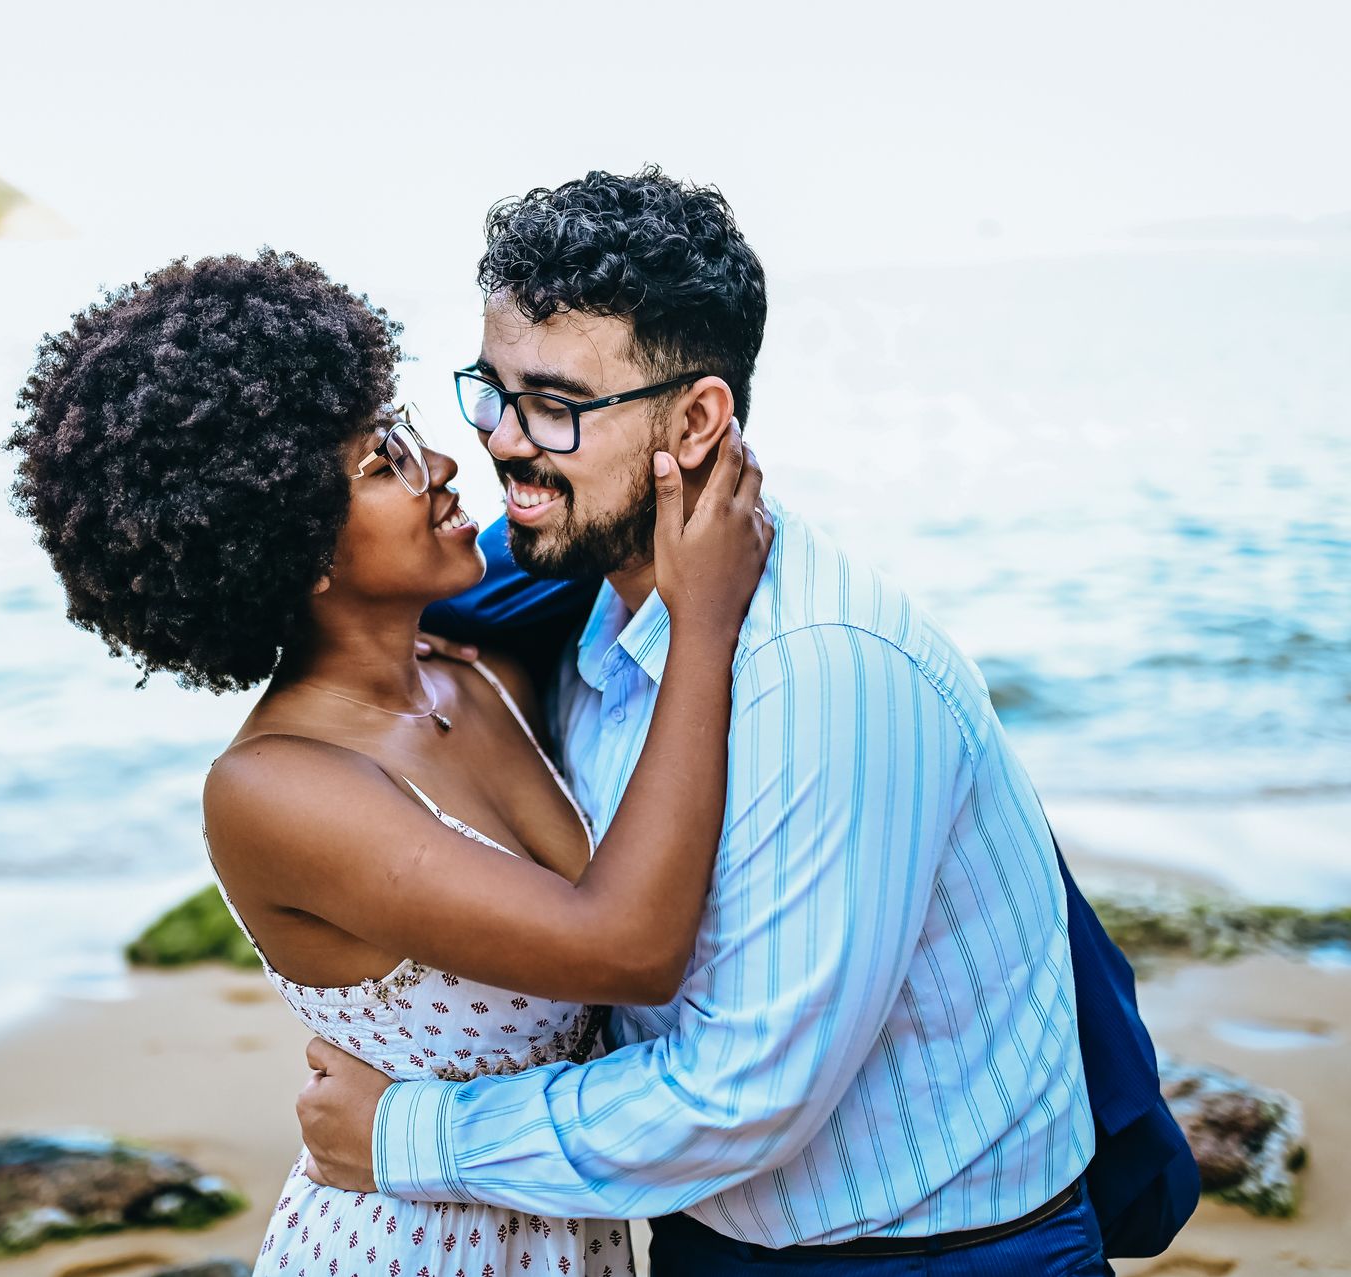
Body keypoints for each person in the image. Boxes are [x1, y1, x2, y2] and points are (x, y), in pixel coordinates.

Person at [296, 168, 1190, 1274]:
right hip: (706, 1237)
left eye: (557, 405)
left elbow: (744, 1090)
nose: (504, 441)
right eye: (492, 386)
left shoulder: (819, 669)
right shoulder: (559, 597)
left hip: (936, 1253)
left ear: (700, 418)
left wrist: (406, 1132)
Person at [4, 248, 772, 1275]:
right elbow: (627, 945)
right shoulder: (277, 787)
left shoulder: (477, 663)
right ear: (292, 541)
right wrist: (705, 627)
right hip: (406, 1243)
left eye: (406, 431)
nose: (444, 464)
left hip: (558, 1233)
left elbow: (608, 505)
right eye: (384, 463)